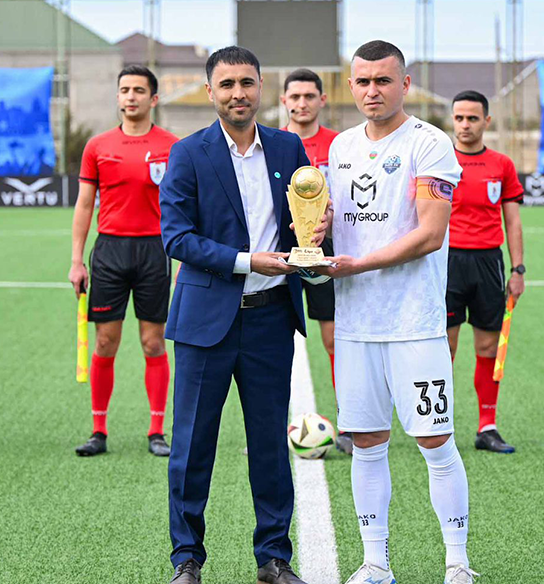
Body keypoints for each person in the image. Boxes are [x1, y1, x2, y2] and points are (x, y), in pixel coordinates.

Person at [160, 46, 325, 584]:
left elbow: (304, 221)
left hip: (270, 319)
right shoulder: (188, 153)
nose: (238, 93)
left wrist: (316, 233)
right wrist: (246, 260)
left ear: (261, 88)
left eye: (247, 83)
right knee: (191, 447)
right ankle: (187, 559)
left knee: (270, 446)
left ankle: (273, 558)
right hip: (205, 321)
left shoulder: (287, 146)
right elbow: (177, 238)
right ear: (210, 91)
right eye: (227, 84)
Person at [322, 40, 476, 584]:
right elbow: (335, 223)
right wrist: (316, 237)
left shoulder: (429, 143)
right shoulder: (339, 147)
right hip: (356, 326)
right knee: (367, 445)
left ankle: (457, 562)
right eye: (363, 81)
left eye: (383, 80)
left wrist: (356, 264)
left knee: (435, 442)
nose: (372, 91)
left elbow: (430, 234)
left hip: (414, 324)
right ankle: (375, 563)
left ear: (404, 84)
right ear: (351, 85)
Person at [69, 65, 179, 457]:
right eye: (125, 90)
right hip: (110, 253)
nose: (131, 96)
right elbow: (85, 205)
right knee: (105, 340)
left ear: (154, 98)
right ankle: (98, 431)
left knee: (152, 342)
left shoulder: (173, 146)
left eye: (139, 90)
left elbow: (184, 206)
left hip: (154, 252)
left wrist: (184, 259)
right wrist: (77, 261)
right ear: (118, 97)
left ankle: (156, 431)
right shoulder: (98, 147)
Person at [279, 67, 352, 455]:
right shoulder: (272, 143)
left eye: (309, 96)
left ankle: (350, 425)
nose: (302, 103)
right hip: (281, 253)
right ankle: (270, 429)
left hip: (327, 252)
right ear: (283, 101)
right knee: (274, 342)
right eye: (295, 96)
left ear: (322, 100)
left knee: (334, 339)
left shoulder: (340, 146)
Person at [447, 90, 524, 454]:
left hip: (489, 264)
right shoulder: (439, 160)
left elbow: (513, 221)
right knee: (443, 347)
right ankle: (439, 425)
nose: (465, 125)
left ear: (486, 121)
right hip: (447, 263)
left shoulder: (502, 165)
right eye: (459, 118)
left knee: (488, 346)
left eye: (472, 118)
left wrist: (518, 269)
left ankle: (487, 426)